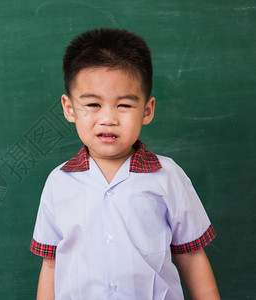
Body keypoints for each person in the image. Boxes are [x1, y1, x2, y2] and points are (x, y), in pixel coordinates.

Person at [30, 28, 220, 299]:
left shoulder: (167, 176)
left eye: (124, 106)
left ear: (147, 110)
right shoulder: (59, 182)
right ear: (69, 108)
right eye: (93, 104)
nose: (108, 118)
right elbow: (50, 264)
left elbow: (191, 256)